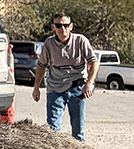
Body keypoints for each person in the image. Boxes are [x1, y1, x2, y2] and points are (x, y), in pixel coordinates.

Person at [34, 14, 98, 142]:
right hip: (55, 88)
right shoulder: (49, 43)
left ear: (71, 27)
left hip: (77, 88)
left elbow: (94, 62)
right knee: (52, 130)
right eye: (58, 26)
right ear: (53, 27)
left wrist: (89, 83)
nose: (62, 29)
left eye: (65, 25)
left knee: (78, 131)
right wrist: (36, 88)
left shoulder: (80, 41)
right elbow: (41, 66)